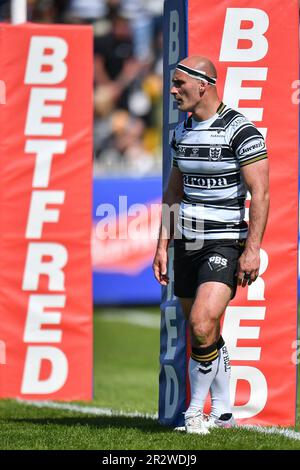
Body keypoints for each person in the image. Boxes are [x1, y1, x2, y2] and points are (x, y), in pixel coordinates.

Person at [153, 56, 269, 434]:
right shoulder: (180, 132)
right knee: (204, 328)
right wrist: (162, 245)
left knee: (203, 323)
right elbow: (173, 191)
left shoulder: (240, 130)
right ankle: (222, 410)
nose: (172, 91)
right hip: (186, 241)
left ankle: (194, 415)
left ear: (204, 85)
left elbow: (261, 193)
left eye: (179, 83)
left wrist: (252, 249)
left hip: (224, 244)